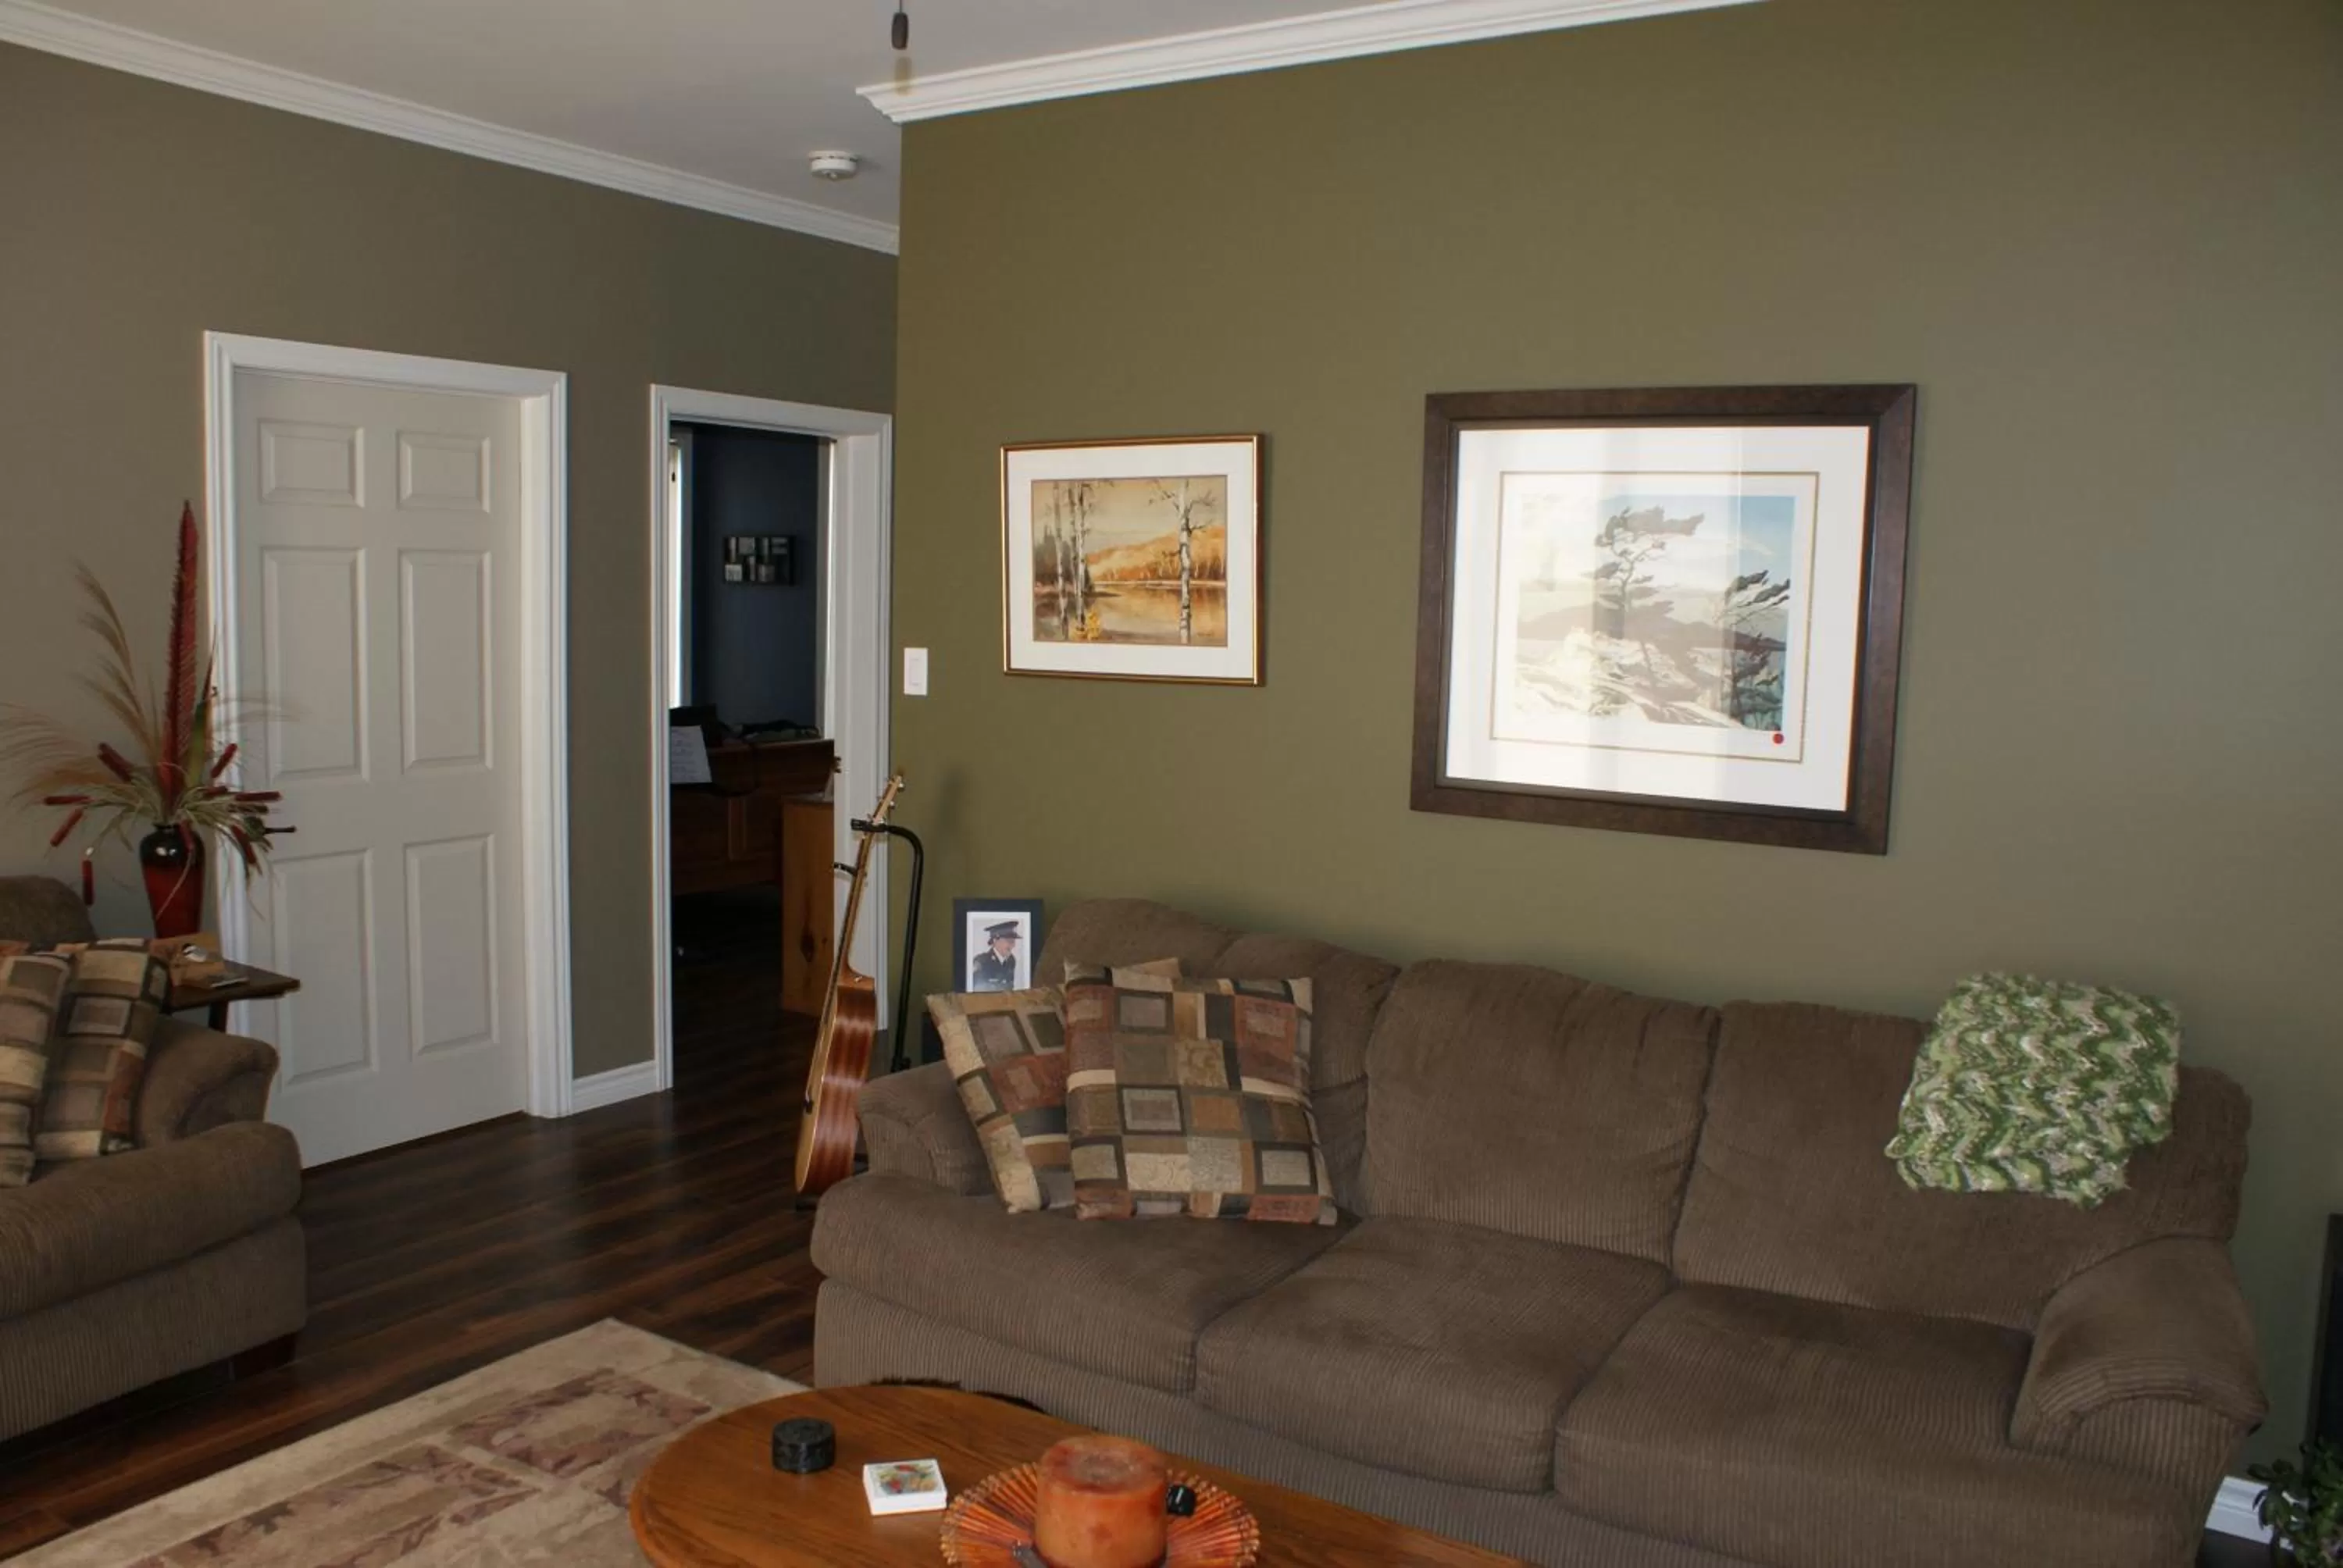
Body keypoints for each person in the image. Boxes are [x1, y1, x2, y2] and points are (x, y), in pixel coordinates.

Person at [969, 920, 1022, 990]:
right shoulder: (982, 961)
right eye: (1009, 941)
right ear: (995, 940)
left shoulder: (1011, 960)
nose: (1013, 946)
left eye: (1013, 942)